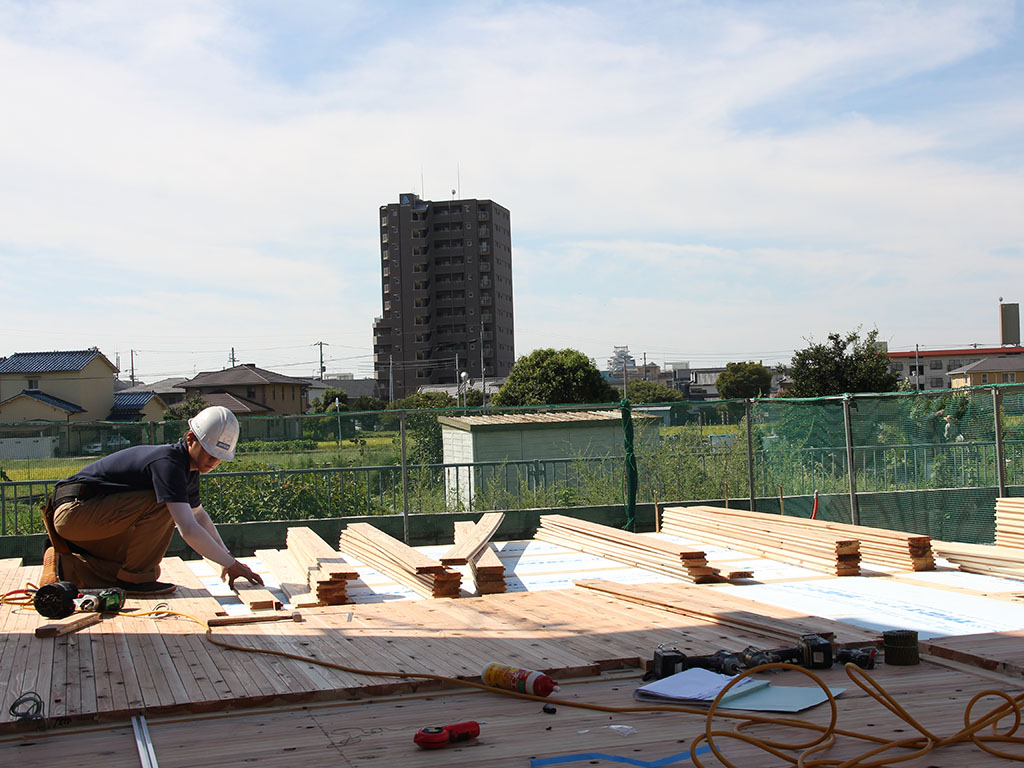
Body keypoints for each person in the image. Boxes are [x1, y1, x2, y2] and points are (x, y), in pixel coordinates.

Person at [41, 406, 263, 595]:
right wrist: (231, 564)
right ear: (190, 439)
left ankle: (64, 567)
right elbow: (188, 528)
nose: (213, 462)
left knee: (129, 566)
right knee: (162, 509)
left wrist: (227, 559)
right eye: (209, 453)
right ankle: (134, 580)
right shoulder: (169, 464)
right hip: (74, 513)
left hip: (88, 518)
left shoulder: (188, 470)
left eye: (219, 458)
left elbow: (199, 517)